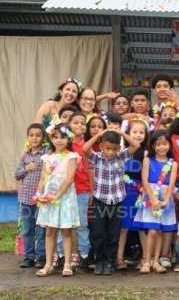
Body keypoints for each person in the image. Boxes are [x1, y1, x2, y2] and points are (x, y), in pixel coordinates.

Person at [83, 129, 140, 275]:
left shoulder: (121, 157)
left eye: (114, 149)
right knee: (99, 233)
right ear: (101, 146)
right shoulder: (97, 157)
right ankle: (99, 261)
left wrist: (121, 133)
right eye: (107, 148)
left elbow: (136, 146)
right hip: (99, 201)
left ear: (119, 149)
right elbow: (85, 149)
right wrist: (99, 135)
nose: (110, 152)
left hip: (117, 202)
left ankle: (109, 262)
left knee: (114, 234)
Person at [35, 123, 80, 277]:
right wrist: (39, 194)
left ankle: (67, 264)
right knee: (49, 231)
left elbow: (69, 179)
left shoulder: (71, 156)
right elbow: (42, 178)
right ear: (51, 138)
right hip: (48, 198)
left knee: (66, 231)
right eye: (56, 137)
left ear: (68, 139)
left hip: (65, 197)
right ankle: (49, 264)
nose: (59, 140)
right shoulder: (46, 157)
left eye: (63, 137)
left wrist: (58, 195)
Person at [133, 130, 178, 274]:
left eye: (165, 144)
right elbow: (144, 181)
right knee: (152, 230)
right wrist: (152, 199)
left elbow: (171, 184)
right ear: (152, 146)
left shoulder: (173, 164)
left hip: (165, 198)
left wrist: (165, 200)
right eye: (158, 144)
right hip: (150, 196)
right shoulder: (147, 160)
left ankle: (156, 261)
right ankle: (147, 261)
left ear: (169, 145)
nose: (161, 147)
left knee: (159, 230)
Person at [54, 113, 92, 273]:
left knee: (82, 224)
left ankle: (84, 256)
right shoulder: (63, 145)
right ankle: (63, 257)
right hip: (63, 192)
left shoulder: (86, 146)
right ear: (68, 124)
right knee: (63, 225)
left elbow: (90, 169)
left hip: (81, 190)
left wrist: (91, 189)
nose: (79, 126)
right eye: (75, 122)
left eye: (83, 123)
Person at [116, 119, 149, 271]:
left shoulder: (146, 152)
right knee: (123, 226)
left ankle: (145, 258)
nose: (138, 135)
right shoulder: (122, 151)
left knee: (142, 226)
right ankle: (119, 257)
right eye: (134, 132)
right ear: (128, 134)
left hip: (140, 190)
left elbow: (146, 175)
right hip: (124, 191)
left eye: (141, 132)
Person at [15, 123, 46, 269]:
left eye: (38, 135)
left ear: (43, 138)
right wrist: (27, 168)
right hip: (26, 197)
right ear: (28, 137)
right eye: (31, 135)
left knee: (41, 229)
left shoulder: (46, 154)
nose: (34, 138)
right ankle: (28, 257)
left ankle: (41, 257)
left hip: (41, 198)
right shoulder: (24, 155)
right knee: (27, 229)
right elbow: (17, 175)